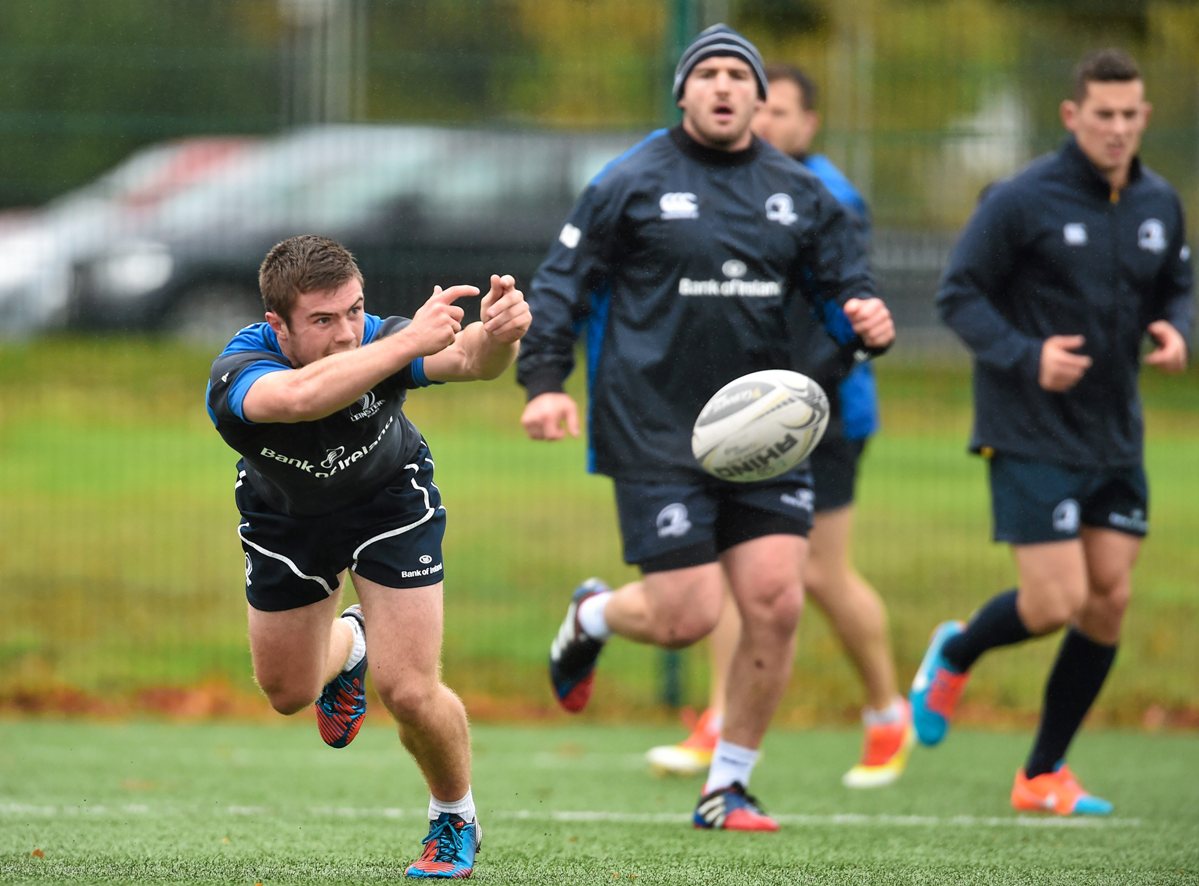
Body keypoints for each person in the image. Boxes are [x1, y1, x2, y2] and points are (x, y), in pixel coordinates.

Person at [518, 24, 896, 831]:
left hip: (766, 432)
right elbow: (560, 286)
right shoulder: (629, 180)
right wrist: (544, 384)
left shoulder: (800, 192)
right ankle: (592, 616)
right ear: (682, 92)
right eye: (708, 73)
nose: (723, 86)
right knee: (684, 617)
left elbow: (845, 288)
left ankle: (728, 785)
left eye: (738, 75)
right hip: (652, 427)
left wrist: (865, 318)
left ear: (759, 98)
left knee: (776, 602)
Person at [910, 48, 1192, 816]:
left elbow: (1176, 285)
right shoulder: (1021, 199)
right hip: (1028, 427)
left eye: (1129, 115)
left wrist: (1176, 328)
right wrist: (1027, 355)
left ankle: (1041, 774)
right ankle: (956, 650)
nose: (1116, 128)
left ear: (1143, 117)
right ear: (1072, 116)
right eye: (1102, 114)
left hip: (1113, 434)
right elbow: (957, 294)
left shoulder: (1157, 203)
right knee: (1055, 600)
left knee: (1108, 599)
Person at [206, 234, 531, 877]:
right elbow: (301, 399)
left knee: (408, 689)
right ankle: (352, 643)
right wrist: (406, 346)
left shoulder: (382, 337)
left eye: (354, 311)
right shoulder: (238, 370)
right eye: (323, 320)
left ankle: (454, 817)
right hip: (286, 522)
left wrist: (500, 335)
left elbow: (470, 360)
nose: (347, 333)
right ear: (279, 325)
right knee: (288, 692)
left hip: (390, 504)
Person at [645, 62, 913, 790]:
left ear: (808, 124)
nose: (764, 123)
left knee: (821, 572)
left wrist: (788, 396)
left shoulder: (828, 197)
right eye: (761, 110)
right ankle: (720, 717)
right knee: (728, 562)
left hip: (824, 410)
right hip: (740, 413)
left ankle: (886, 712)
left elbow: (838, 316)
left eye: (782, 113)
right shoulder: (729, 186)